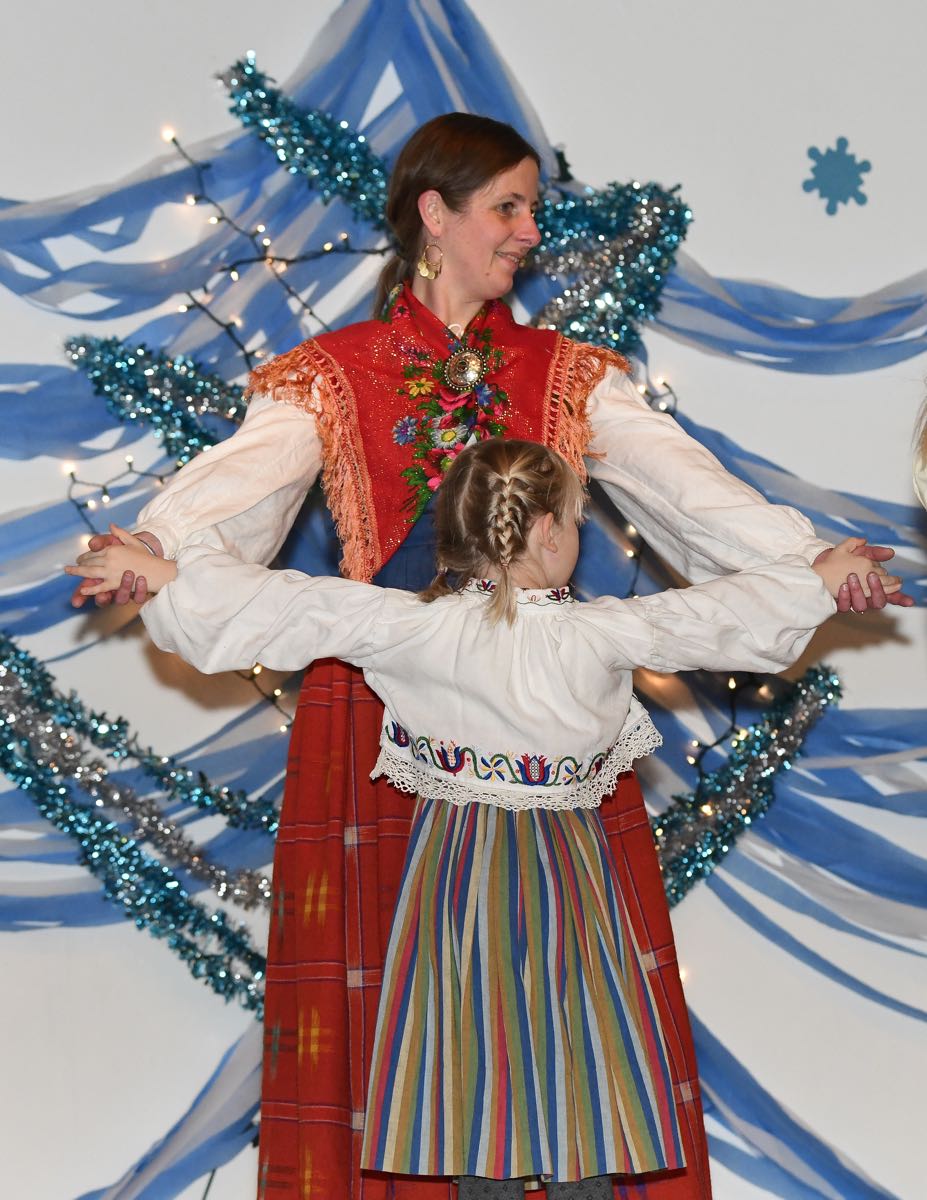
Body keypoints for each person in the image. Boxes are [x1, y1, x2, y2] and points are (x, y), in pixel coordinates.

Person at [69, 114, 908, 1199]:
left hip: (544, 733)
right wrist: (161, 551)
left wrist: (805, 564)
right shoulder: (336, 375)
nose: (528, 230)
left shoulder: (566, 376)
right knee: (402, 1009)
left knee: (572, 997)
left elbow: (692, 490)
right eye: (507, 206)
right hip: (381, 729)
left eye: (531, 208)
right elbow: (237, 495)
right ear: (435, 212)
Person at [66, 438, 880, 1197]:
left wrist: (160, 571)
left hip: (458, 872)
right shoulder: (598, 632)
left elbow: (290, 607)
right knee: (576, 1054)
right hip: (567, 872)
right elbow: (716, 619)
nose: (575, 536)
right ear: (547, 532)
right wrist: (820, 578)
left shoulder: (416, 627)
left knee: (471, 1059)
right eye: (573, 520)